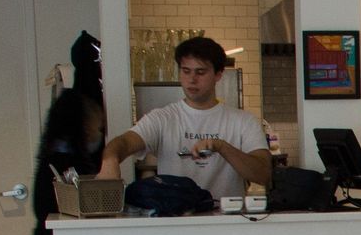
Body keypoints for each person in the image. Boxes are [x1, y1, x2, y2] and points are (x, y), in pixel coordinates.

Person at [97, 36, 271, 200]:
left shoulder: (243, 121)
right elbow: (124, 142)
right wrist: (110, 160)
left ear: (218, 74)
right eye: (186, 71)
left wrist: (221, 146)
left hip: (226, 219)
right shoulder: (162, 118)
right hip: (176, 218)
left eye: (200, 72)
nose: (192, 79)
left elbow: (263, 174)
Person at [30, 88, 104, 235]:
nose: (98, 134)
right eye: (97, 128)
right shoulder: (68, 166)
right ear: (84, 127)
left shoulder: (50, 157)